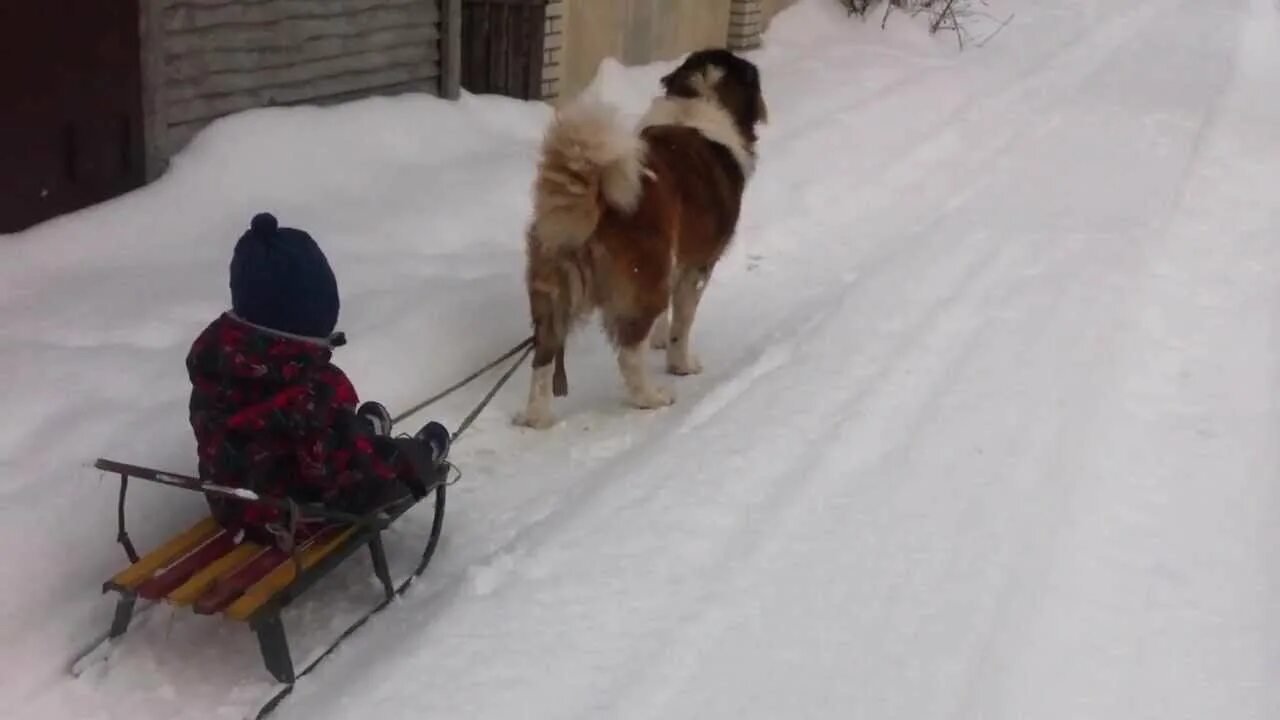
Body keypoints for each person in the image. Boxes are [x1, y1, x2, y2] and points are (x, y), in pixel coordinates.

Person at [185, 212, 449, 543]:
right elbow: (348, 481)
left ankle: (355, 432)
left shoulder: (216, 363)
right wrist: (413, 461)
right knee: (380, 463)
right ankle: (398, 444)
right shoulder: (308, 394)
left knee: (320, 437)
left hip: (230, 504)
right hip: (292, 518)